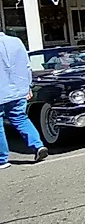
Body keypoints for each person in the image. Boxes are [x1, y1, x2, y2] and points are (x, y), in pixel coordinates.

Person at [0, 31, 48, 169]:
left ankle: (2, 159)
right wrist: (28, 85)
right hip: (18, 89)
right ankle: (38, 146)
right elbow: (27, 65)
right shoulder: (16, 41)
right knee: (21, 118)